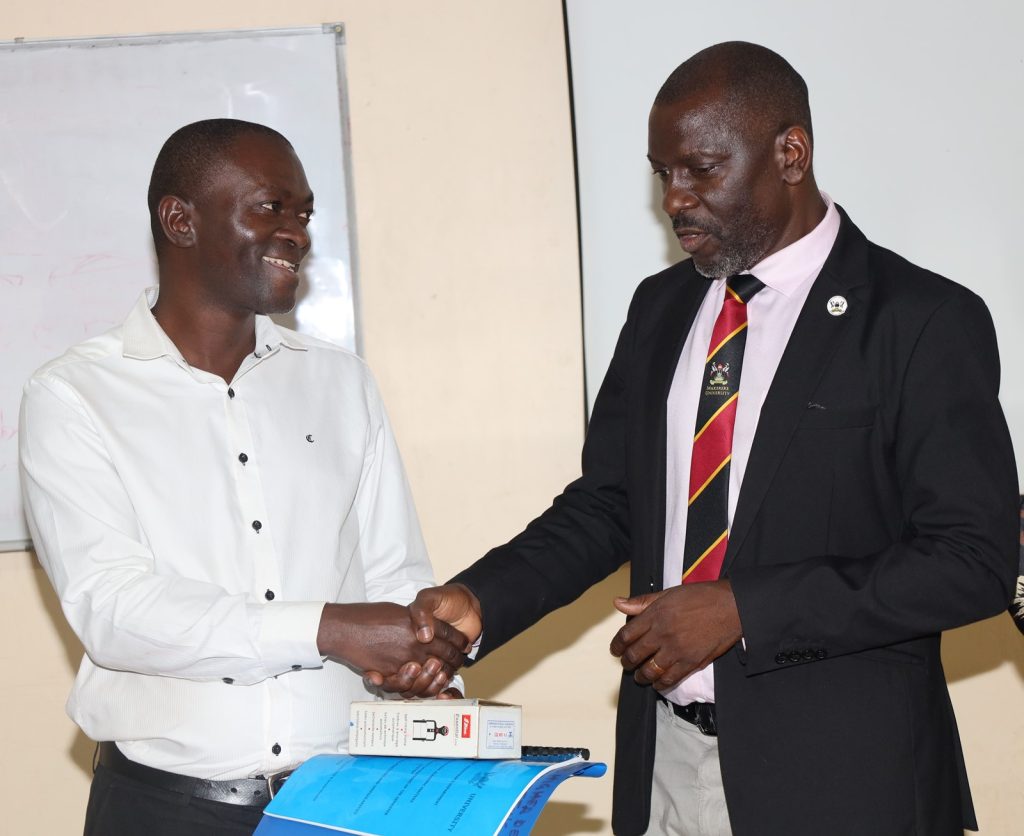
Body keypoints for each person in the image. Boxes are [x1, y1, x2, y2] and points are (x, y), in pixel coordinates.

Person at [393, 42, 1020, 835]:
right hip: (667, 767)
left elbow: (973, 563)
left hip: (847, 782)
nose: (675, 200)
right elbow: (610, 504)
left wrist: (745, 609)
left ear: (791, 154)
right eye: (662, 173)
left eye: (700, 169)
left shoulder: (920, 320)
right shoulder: (662, 309)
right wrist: (479, 602)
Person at [19, 119, 466, 835]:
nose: (297, 233)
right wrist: (324, 629)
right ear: (180, 220)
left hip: (345, 805)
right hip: (162, 810)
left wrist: (425, 675)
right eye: (270, 207)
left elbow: (393, 573)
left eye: (304, 214)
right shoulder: (73, 396)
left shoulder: (341, 383)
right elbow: (116, 611)